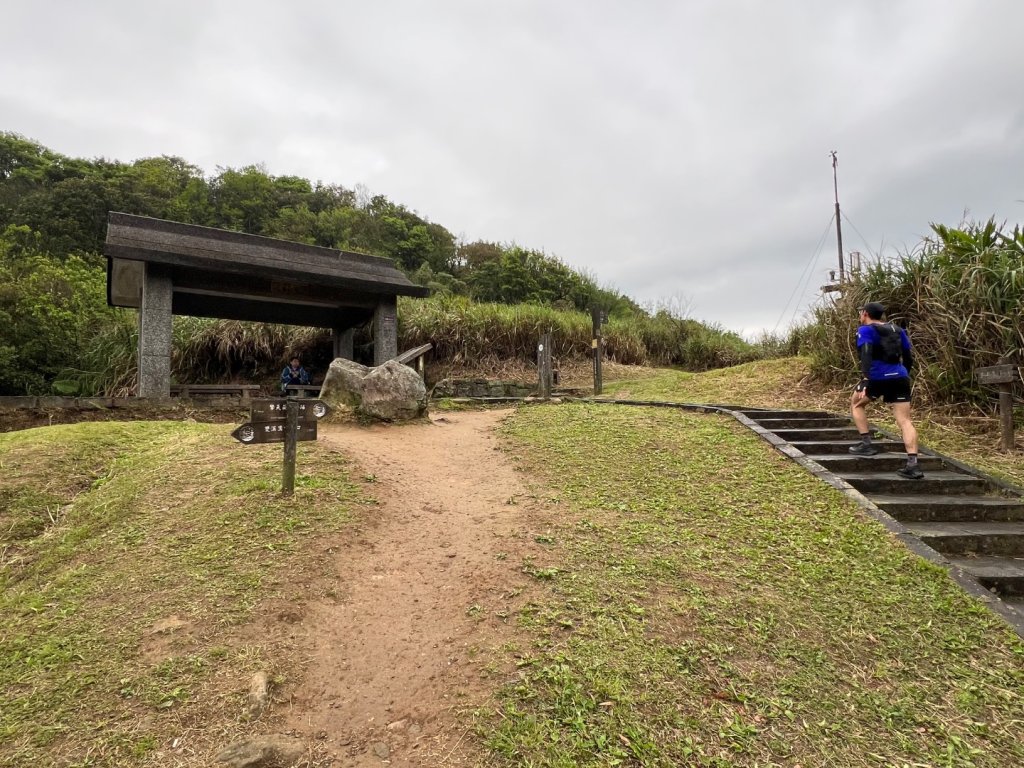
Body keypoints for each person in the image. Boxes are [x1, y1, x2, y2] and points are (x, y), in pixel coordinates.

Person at [848, 302, 924, 479]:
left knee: (856, 404)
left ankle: (866, 444)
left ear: (865, 314)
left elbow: (866, 353)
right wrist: (904, 373)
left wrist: (865, 379)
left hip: (877, 376)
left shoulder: (865, 330)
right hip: (900, 376)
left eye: (861, 312)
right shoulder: (898, 330)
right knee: (905, 420)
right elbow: (908, 356)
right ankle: (913, 465)